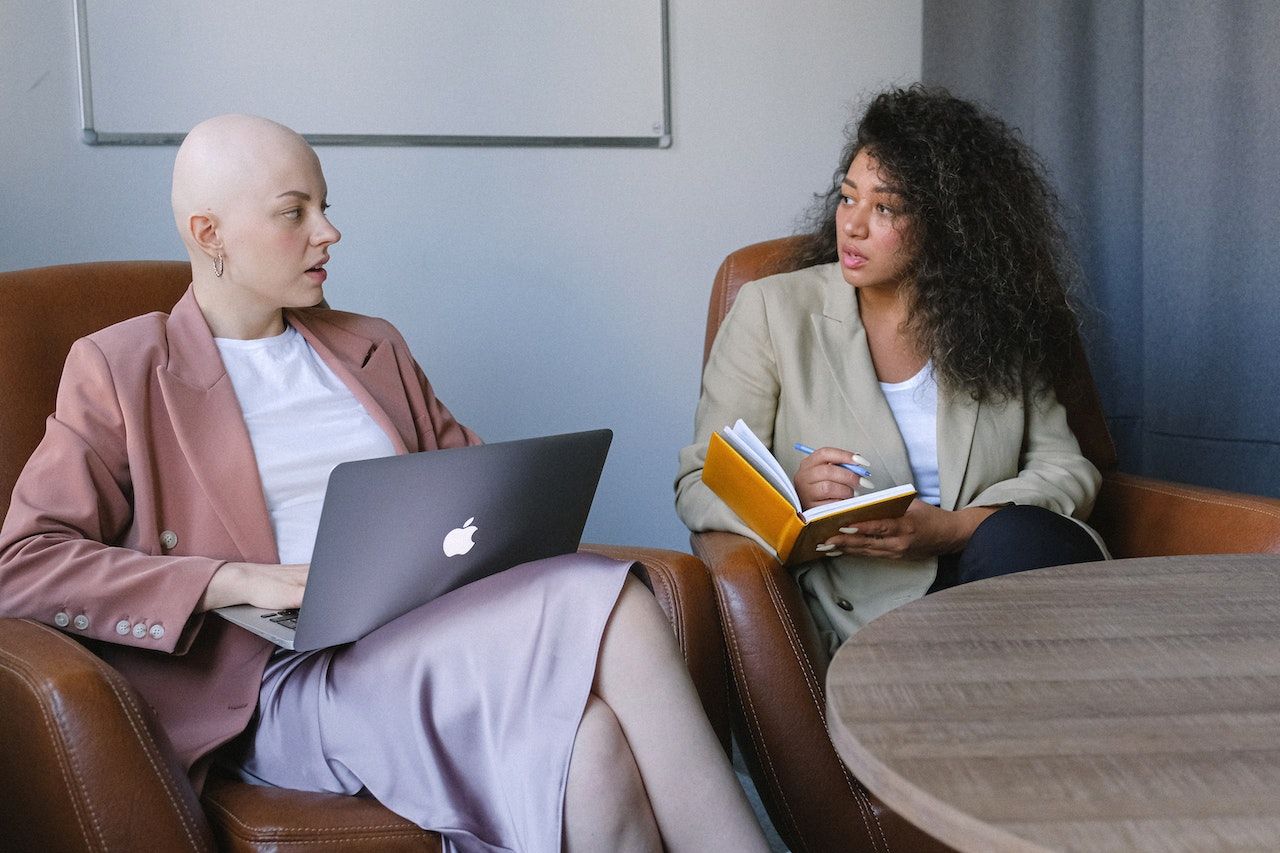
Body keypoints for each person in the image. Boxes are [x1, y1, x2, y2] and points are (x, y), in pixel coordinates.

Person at [0, 115, 768, 853]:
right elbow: (24, 562)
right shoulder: (122, 367)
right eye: (293, 212)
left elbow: (473, 493)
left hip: (427, 628)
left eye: (324, 207)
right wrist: (230, 579)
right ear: (210, 235)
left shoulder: (372, 345)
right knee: (617, 604)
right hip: (281, 674)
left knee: (593, 748)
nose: (327, 231)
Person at [676, 85, 1107, 655]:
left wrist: (954, 530)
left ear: (948, 223)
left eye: (885, 207)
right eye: (848, 198)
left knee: (1020, 543)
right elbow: (703, 480)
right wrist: (795, 501)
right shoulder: (772, 310)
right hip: (871, 604)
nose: (852, 226)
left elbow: (1066, 469)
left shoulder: (998, 321)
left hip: (1000, 570)